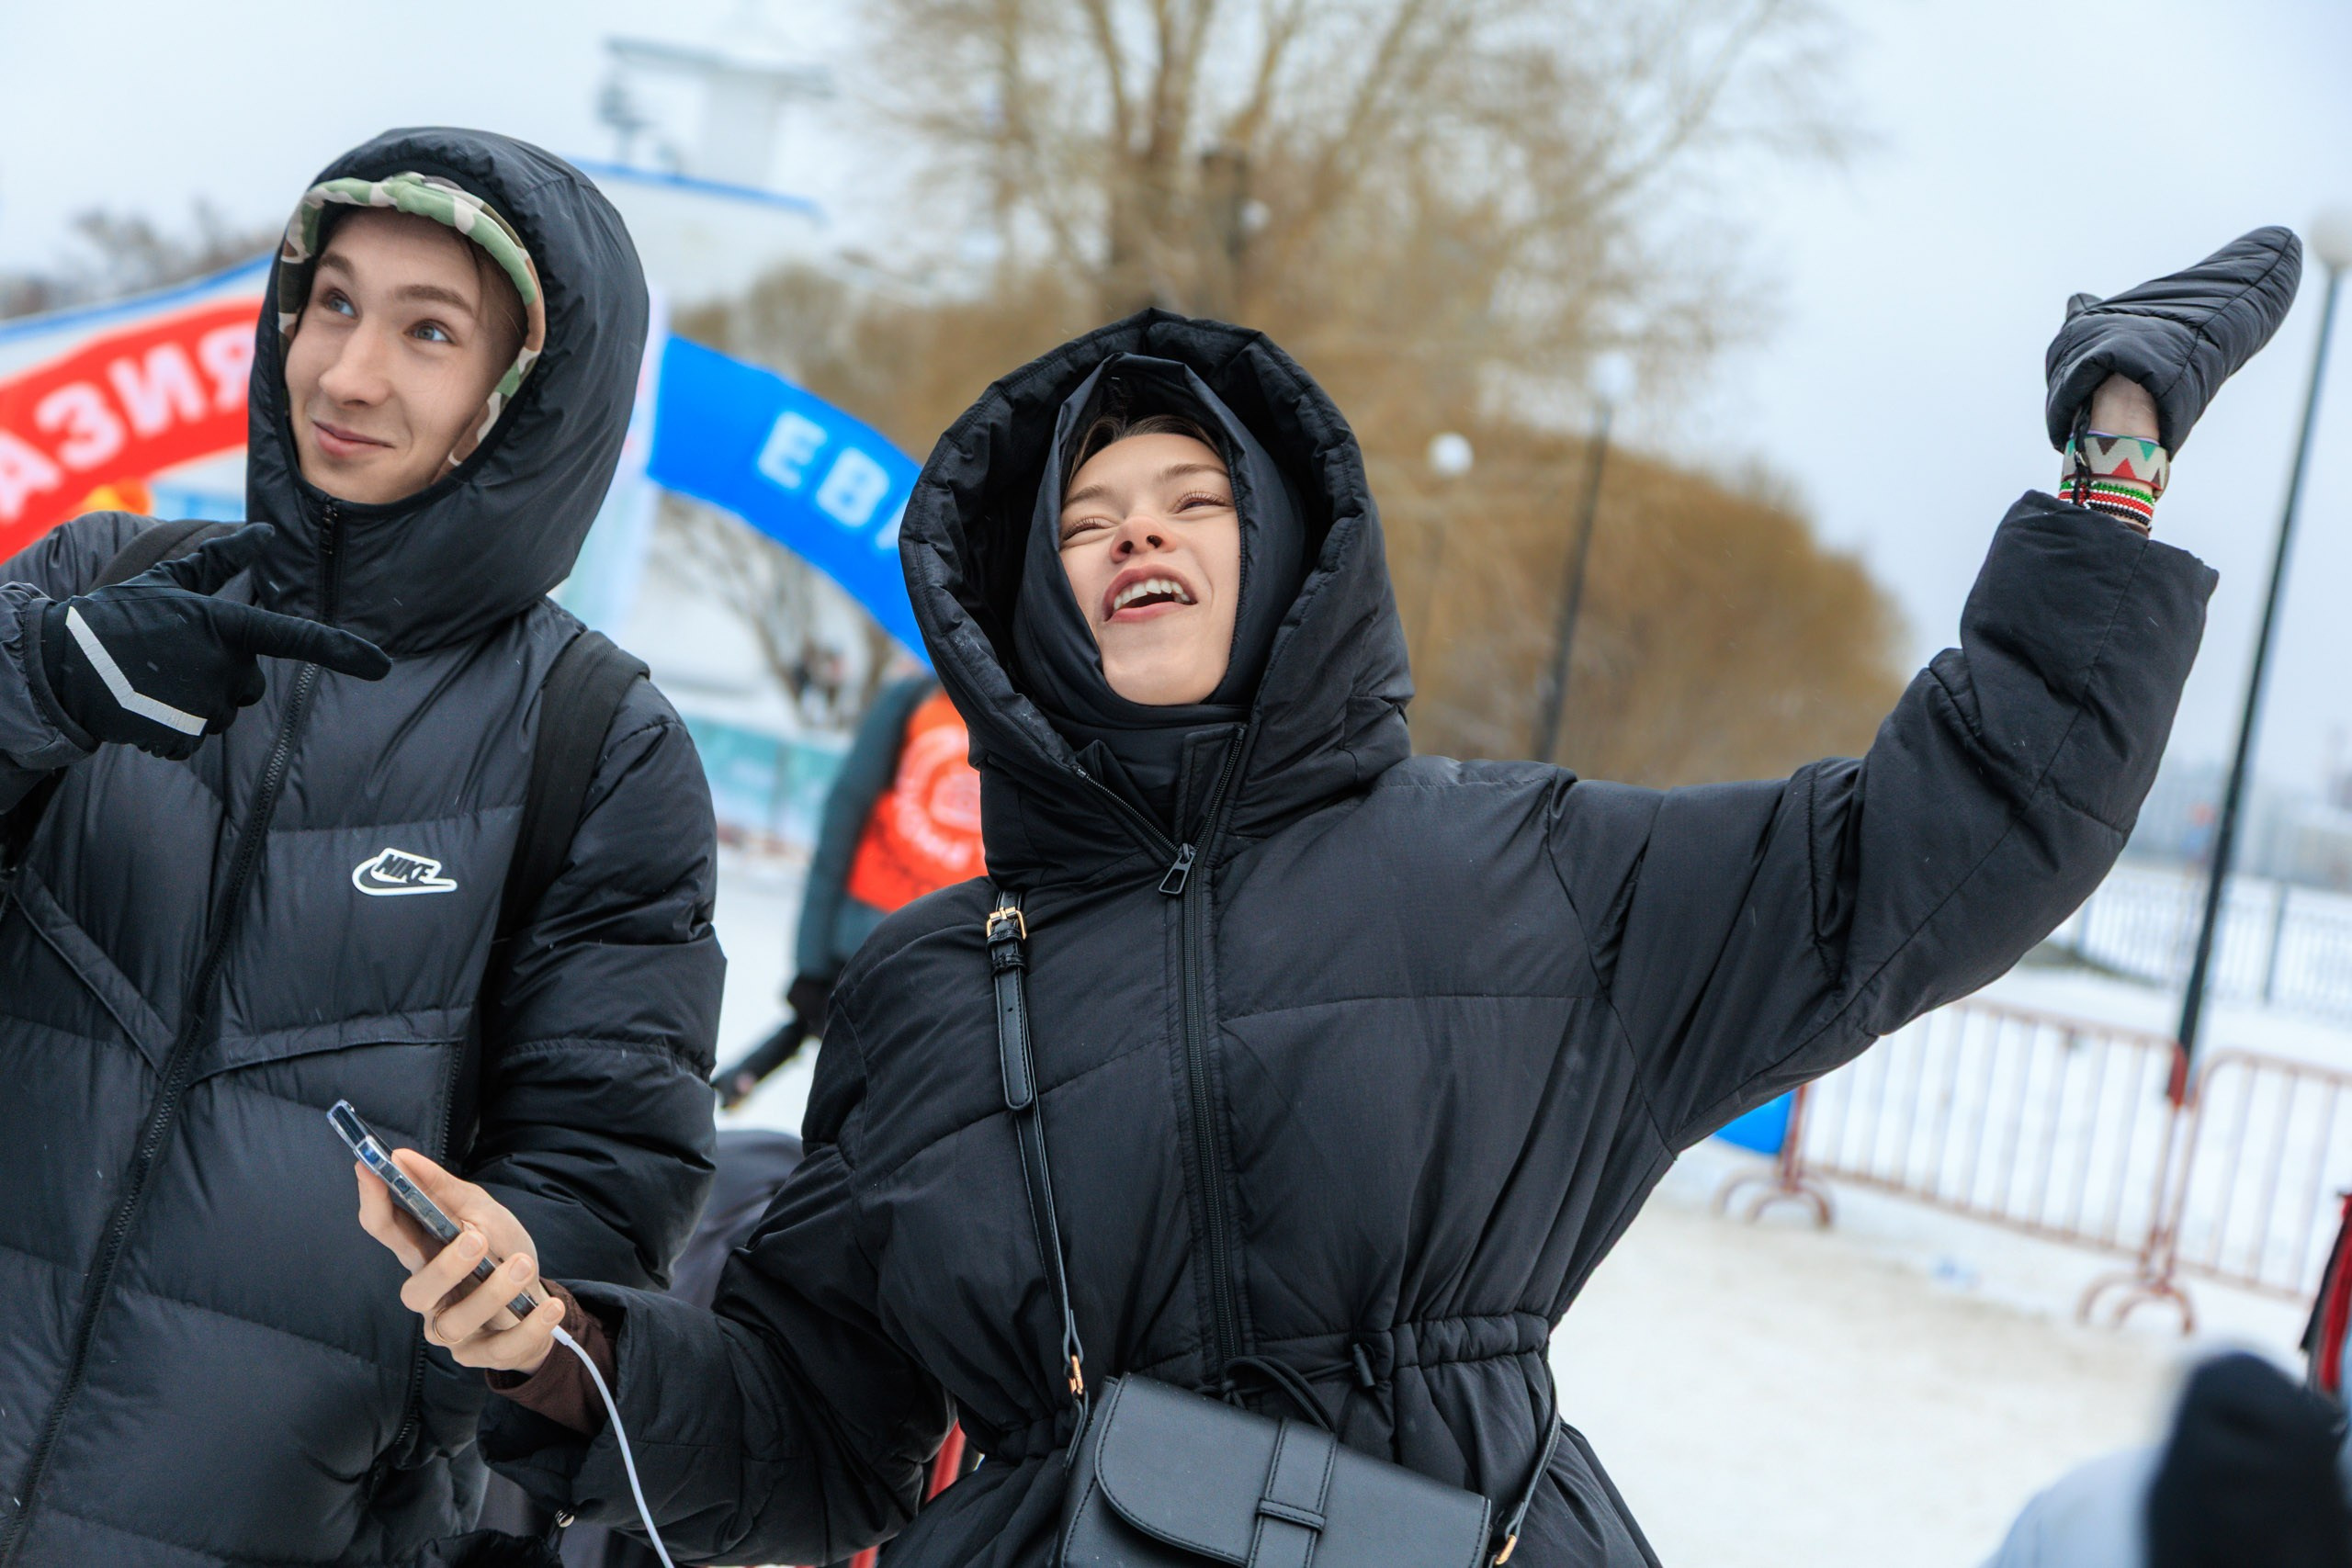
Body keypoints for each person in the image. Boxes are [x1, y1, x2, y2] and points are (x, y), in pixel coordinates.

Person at [368, 229, 2295, 1566]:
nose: (1134, 529)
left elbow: (1943, 846)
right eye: (1084, 517)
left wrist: (2112, 457)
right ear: (1027, 600)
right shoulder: (930, 987)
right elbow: (818, 1426)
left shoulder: (1529, 873)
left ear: (1284, 550)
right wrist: (566, 1352)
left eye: (1190, 497)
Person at [0, 129, 722, 1567]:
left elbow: (604, 1177)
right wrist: (39, 683)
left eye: (428, 330)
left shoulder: (599, 742)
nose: (346, 373)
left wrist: (498, 1286)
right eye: (331, 303)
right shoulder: (97, 585)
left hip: (285, 1516)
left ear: (526, 396)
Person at [717, 660, 984, 1105]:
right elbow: (843, 822)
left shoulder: (1035, 721)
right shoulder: (912, 699)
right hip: (867, 951)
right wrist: (813, 965)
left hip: (958, 970)